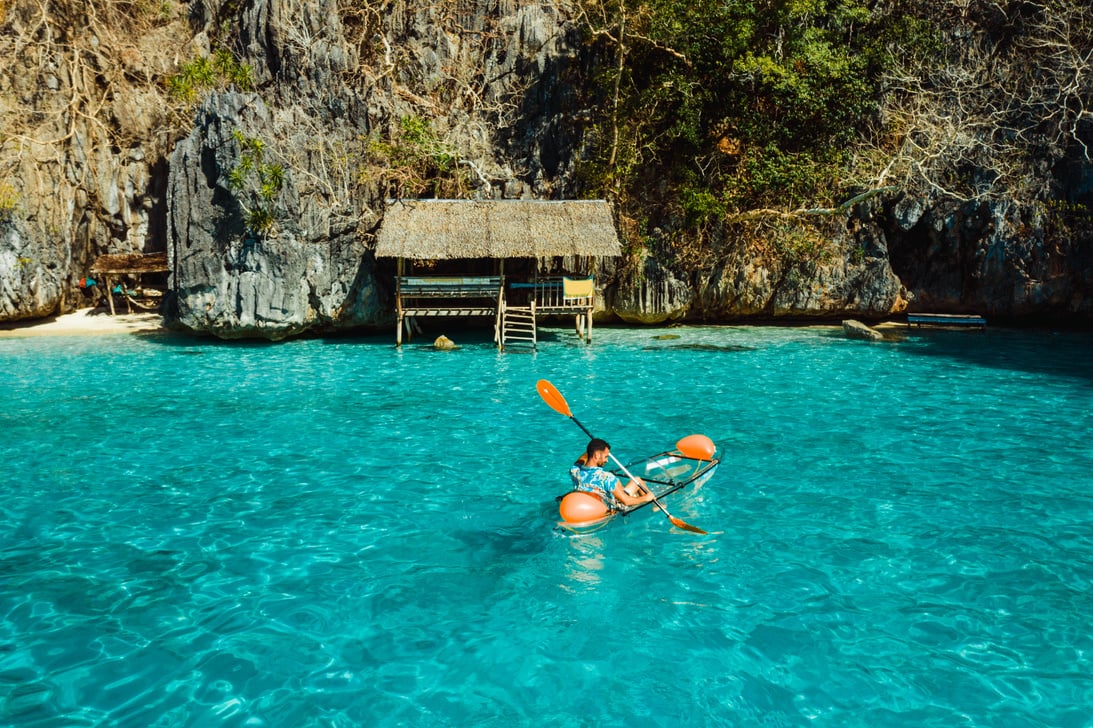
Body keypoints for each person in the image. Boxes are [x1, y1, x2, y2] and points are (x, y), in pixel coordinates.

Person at [569, 438, 655, 509]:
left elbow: (581, 459)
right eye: (606, 456)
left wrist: (592, 447)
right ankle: (654, 505)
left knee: (635, 480)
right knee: (638, 481)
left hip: (590, 502)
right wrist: (646, 498)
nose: (607, 460)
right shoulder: (606, 477)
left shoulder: (575, 471)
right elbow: (626, 501)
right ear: (597, 455)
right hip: (616, 506)